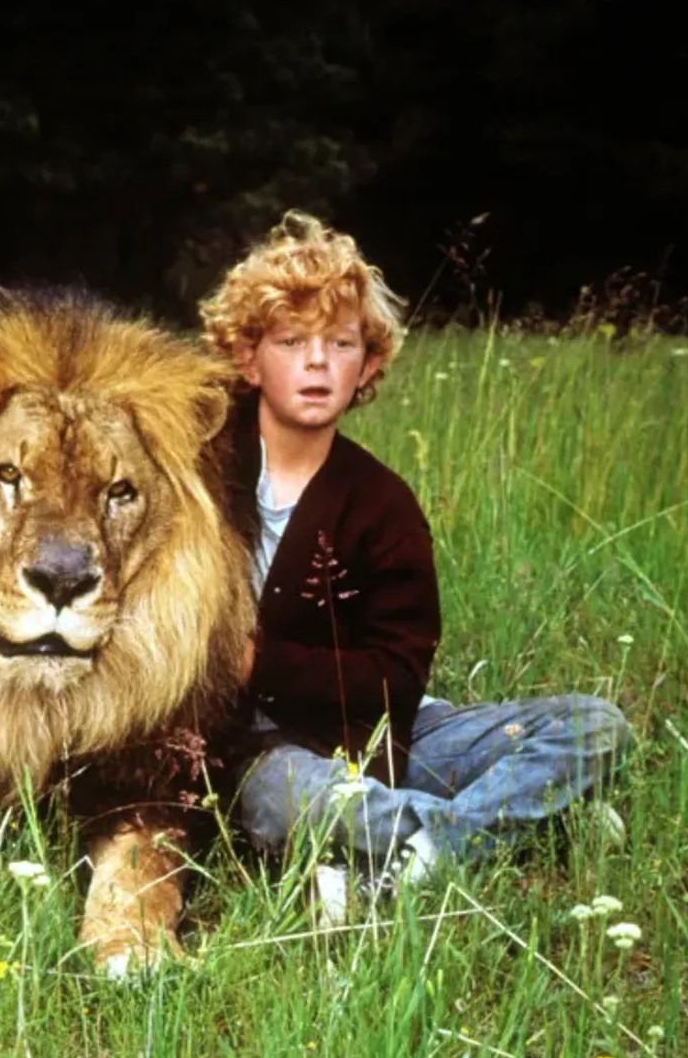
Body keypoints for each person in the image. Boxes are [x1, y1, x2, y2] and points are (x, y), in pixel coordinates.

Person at [201, 211, 631, 921]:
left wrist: (261, 664)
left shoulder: (382, 504)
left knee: (595, 725)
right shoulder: (200, 469)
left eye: (339, 344)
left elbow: (398, 677)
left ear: (366, 366)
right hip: (256, 746)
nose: (316, 362)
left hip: (386, 736)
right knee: (282, 797)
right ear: (249, 359)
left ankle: (410, 858)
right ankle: (537, 826)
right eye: (291, 341)